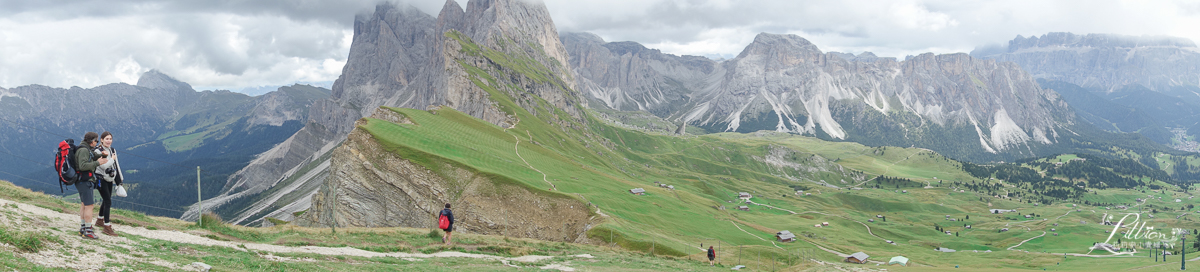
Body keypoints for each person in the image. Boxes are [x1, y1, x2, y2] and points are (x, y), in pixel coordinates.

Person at [75, 132, 108, 239]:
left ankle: (83, 228)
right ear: (92, 141)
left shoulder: (86, 148)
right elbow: (83, 165)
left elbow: (93, 156)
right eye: (96, 141)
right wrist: (98, 163)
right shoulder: (84, 150)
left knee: (84, 204)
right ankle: (88, 230)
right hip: (85, 180)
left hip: (82, 180)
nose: (97, 143)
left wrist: (102, 155)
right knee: (89, 205)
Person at [93, 131, 123, 236]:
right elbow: (103, 166)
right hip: (100, 178)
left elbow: (116, 165)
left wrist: (119, 179)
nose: (109, 141)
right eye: (106, 139)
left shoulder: (112, 150)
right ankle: (107, 226)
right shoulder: (97, 151)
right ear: (101, 140)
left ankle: (100, 220)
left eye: (110, 139)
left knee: (107, 200)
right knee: (108, 201)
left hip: (110, 178)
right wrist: (112, 159)